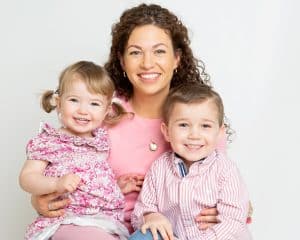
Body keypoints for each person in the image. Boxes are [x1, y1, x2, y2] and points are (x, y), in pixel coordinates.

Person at [31, 3, 251, 237]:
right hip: (99, 225)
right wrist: (39, 198)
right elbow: (56, 164)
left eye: (159, 51)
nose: (147, 63)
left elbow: (224, 185)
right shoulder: (100, 110)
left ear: (177, 58)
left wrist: (240, 208)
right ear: (122, 60)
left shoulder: (199, 119)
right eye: (136, 52)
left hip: (172, 233)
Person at [19, 61, 134, 240]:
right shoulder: (50, 141)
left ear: (106, 111)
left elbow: (91, 181)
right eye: (74, 100)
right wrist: (55, 184)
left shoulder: (100, 141)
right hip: (69, 219)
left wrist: (116, 187)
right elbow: (27, 178)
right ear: (58, 103)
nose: (83, 110)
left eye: (94, 104)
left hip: (105, 220)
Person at [129, 84, 251, 240]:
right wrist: (150, 216)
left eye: (205, 126)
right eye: (183, 125)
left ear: (220, 132)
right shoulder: (159, 168)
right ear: (166, 132)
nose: (194, 135)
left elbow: (233, 222)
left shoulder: (225, 169)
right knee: (144, 236)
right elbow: (142, 209)